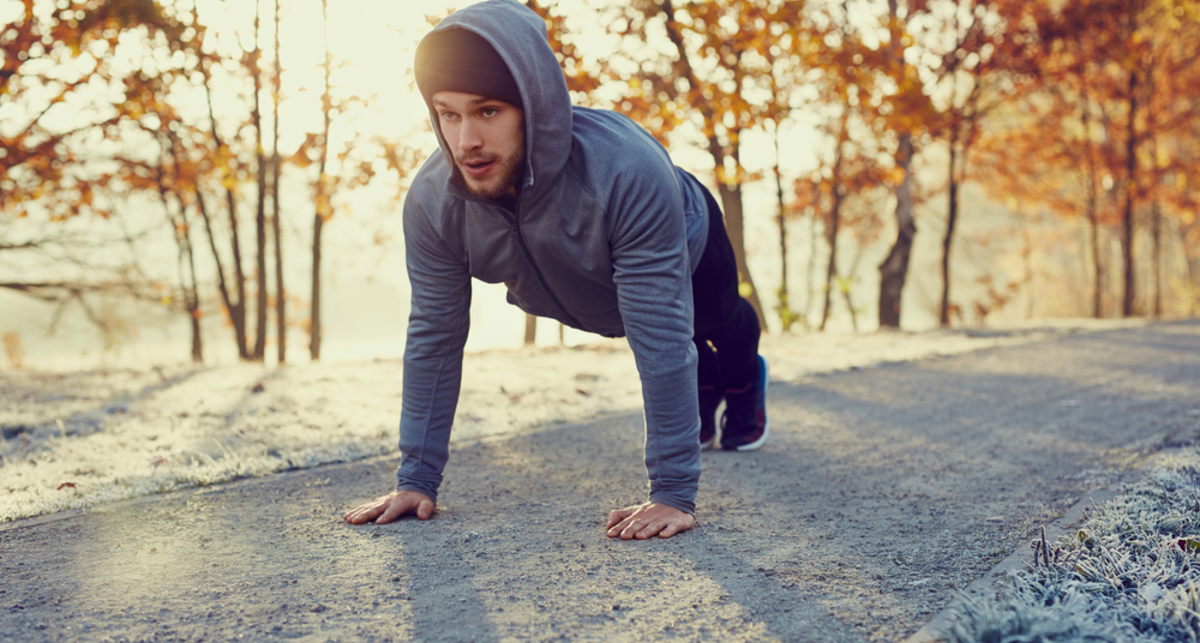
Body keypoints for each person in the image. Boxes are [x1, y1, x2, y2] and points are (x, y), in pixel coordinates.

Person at [343, 0, 768, 540]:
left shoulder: (625, 173)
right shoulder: (434, 203)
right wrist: (416, 479)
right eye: (448, 114)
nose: (465, 140)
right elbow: (435, 334)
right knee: (688, 354)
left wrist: (672, 493)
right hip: (588, 293)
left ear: (533, 105)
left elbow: (659, 336)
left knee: (715, 324)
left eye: (487, 111)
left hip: (684, 234)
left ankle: (740, 376)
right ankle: (702, 383)